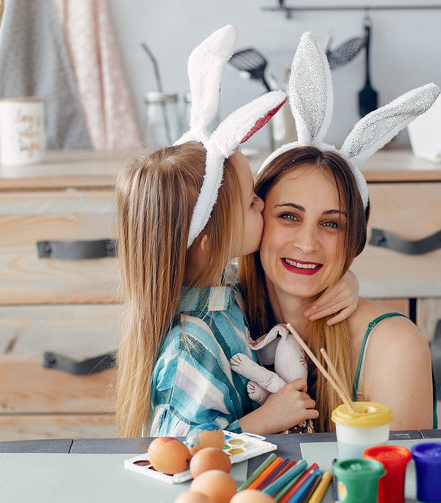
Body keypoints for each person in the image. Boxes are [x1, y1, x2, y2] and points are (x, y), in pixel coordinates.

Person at [114, 26, 358, 438]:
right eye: (250, 202)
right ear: (211, 235)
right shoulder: (190, 345)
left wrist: (345, 278)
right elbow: (178, 454)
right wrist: (263, 421)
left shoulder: (224, 288)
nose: (262, 203)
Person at [239, 32, 441, 432]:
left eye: (332, 224)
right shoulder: (223, 314)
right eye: (289, 216)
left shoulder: (392, 347)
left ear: (355, 239)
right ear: (257, 218)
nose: (308, 243)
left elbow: (394, 487)